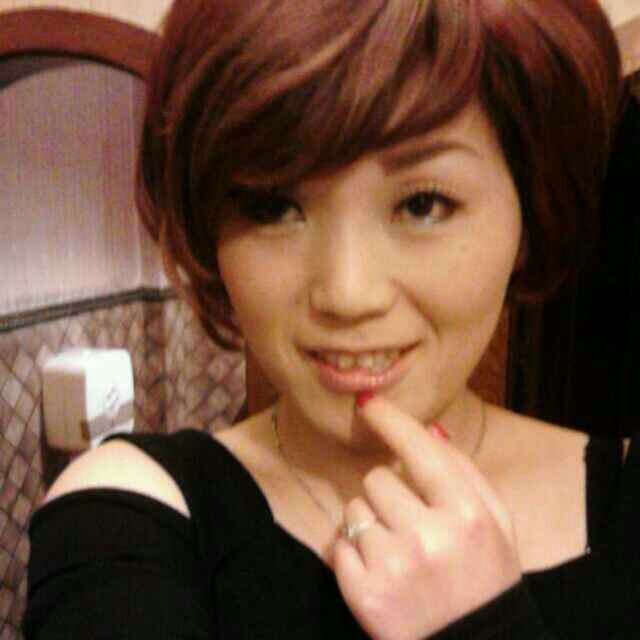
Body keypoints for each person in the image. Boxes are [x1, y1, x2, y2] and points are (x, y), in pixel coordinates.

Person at [23, 0, 635, 638]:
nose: (347, 294)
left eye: (422, 204)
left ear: (529, 212)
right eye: (273, 206)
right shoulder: (125, 520)